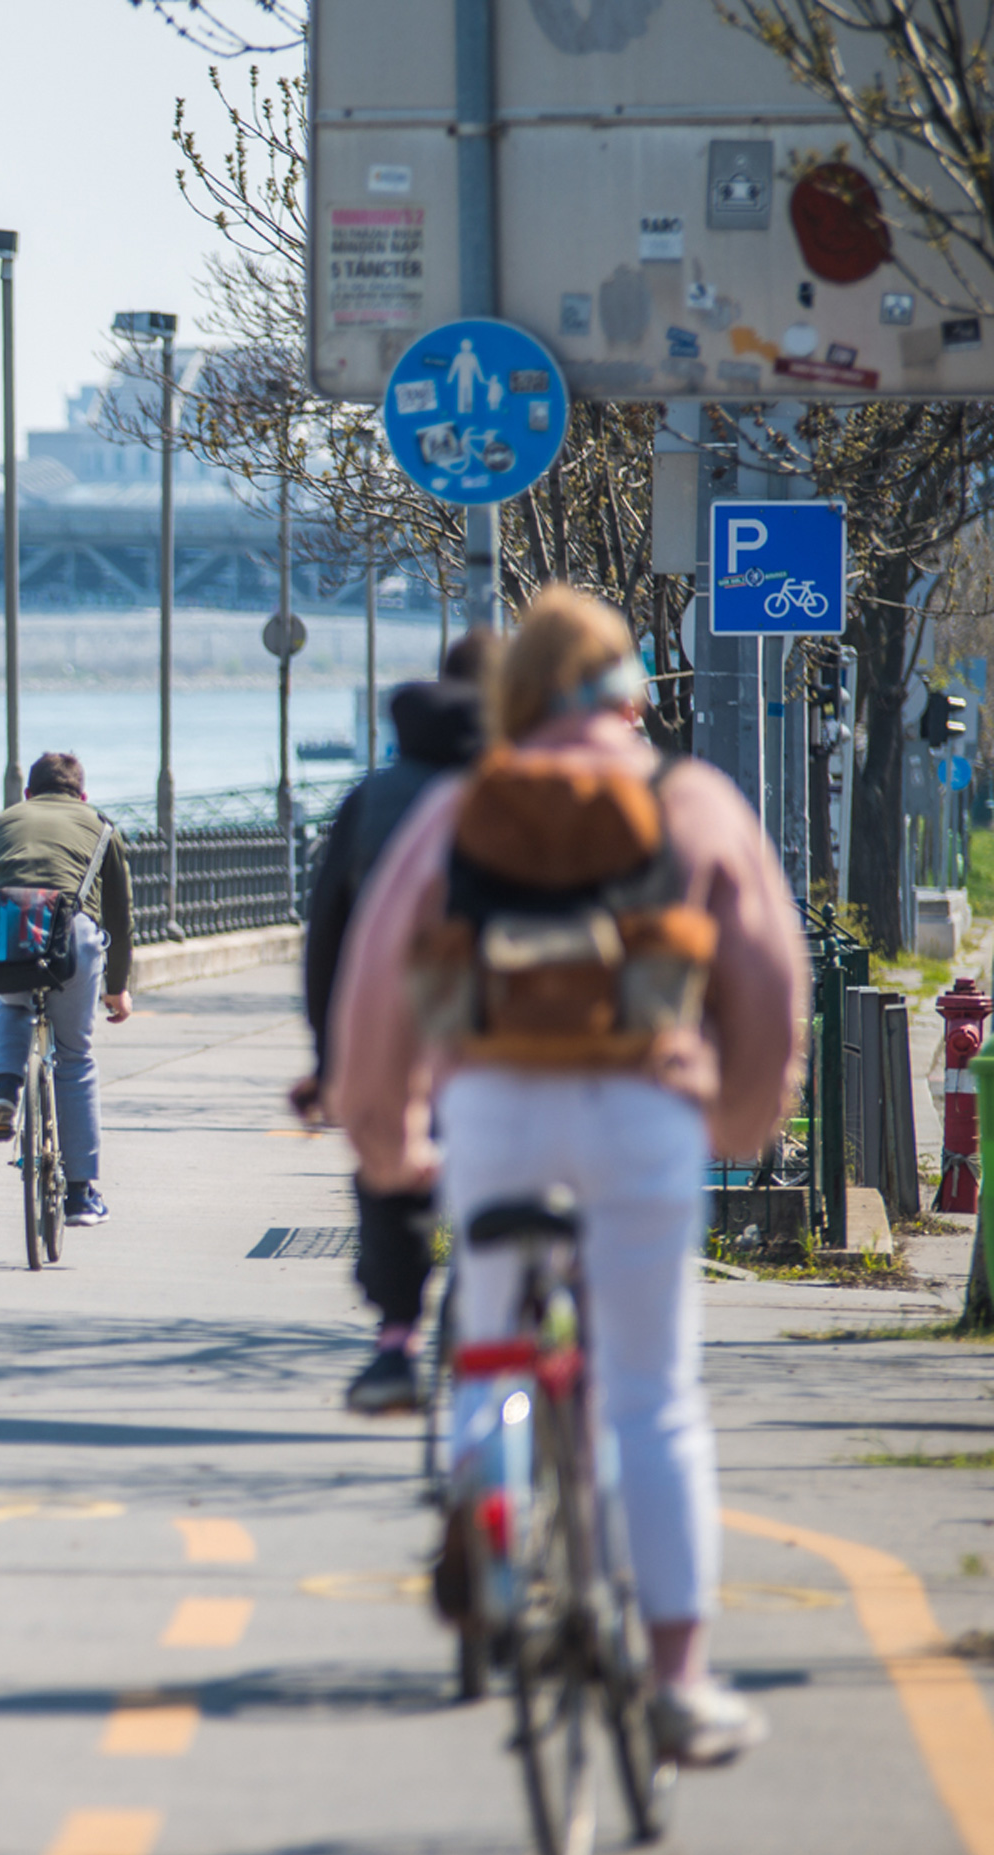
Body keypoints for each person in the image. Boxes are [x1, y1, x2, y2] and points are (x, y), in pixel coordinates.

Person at [333, 584, 806, 1768]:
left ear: (515, 697)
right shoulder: (692, 801)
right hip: (647, 1109)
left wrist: (391, 1147)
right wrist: (741, 1121)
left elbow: (374, 996)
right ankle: (682, 1678)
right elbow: (769, 982)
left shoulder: (457, 811)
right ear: (632, 688)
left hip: (490, 1111)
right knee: (650, 1391)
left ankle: (489, 1520)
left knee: (488, 1342)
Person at [299, 632, 493, 1414]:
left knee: (392, 1165)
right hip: (538, 1029)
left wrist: (328, 1059)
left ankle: (395, 1338)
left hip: (402, 1022)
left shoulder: (374, 798)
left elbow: (328, 939)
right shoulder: (549, 782)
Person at [0, 751, 132, 1225]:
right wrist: (117, 987)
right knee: (75, 1056)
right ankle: (80, 1194)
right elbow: (120, 917)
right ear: (81, 795)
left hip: (9, 932)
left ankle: (3, 1089)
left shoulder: (2, 821)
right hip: (71, 935)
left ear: (28, 794)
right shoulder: (101, 825)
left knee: (15, 1010)